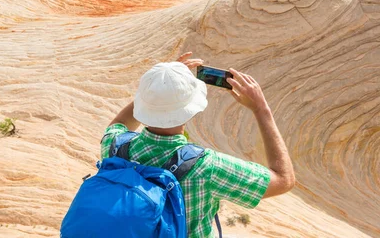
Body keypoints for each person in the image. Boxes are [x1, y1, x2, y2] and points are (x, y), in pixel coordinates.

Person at [101, 52, 295, 237]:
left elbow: (118, 125)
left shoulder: (115, 145)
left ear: (142, 104)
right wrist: (262, 109)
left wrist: (157, 89)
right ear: (191, 109)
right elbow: (283, 180)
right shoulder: (207, 167)